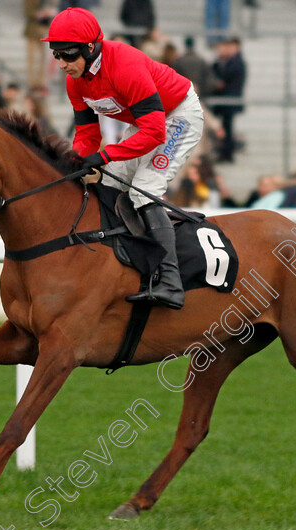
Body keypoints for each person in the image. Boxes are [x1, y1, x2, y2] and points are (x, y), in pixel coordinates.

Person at [42, 7, 204, 310]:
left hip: (178, 115)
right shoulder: (75, 80)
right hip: (145, 123)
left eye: (67, 55)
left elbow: (155, 133)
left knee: (144, 188)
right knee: (110, 184)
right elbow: (87, 136)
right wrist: (77, 160)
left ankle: (171, 282)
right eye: (56, 56)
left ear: (90, 47)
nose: (62, 64)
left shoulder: (124, 65)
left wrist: (103, 155)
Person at [210, 37, 246, 163]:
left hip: (229, 101)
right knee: (226, 128)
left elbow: (225, 79)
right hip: (226, 102)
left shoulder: (236, 62)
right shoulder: (228, 61)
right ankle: (225, 153)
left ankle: (227, 153)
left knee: (228, 128)